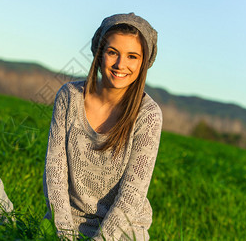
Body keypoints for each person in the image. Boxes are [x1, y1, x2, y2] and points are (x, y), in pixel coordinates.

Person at [43, 13, 162, 240]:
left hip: (122, 232)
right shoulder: (69, 97)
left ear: (143, 63)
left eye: (132, 56)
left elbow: (132, 195)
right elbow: (54, 171)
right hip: (66, 224)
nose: (120, 65)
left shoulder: (148, 115)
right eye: (112, 52)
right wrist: (64, 233)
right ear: (99, 54)